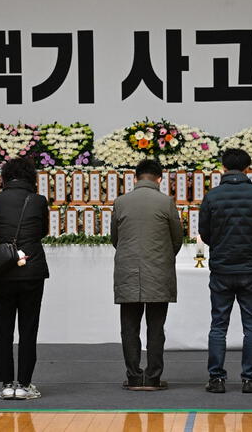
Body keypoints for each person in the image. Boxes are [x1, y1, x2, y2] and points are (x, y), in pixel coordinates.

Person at [199, 148, 252, 394]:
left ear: (223, 168)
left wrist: (221, 246)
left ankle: (216, 379)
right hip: (251, 268)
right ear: (248, 169)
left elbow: (205, 233)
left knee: (218, 325)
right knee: (251, 325)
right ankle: (250, 379)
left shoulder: (212, 196)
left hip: (221, 268)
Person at [111, 159, 183, 390]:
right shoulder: (166, 202)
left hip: (128, 271)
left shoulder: (120, 202)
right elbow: (176, 239)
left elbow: (115, 238)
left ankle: (133, 377)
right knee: (156, 326)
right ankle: (153, 377)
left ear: (135, 178)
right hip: (159, 271)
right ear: (159, 179)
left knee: (129, 326)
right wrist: (162, 256)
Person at [0, 158, 49, 400]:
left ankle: (6, 384)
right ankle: (24, 384)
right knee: (28, 328)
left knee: (3, 329)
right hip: (32, 270)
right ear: (31, 177)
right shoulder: (38, 201)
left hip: (2, 269)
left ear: (5, 177)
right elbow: (42, 231)